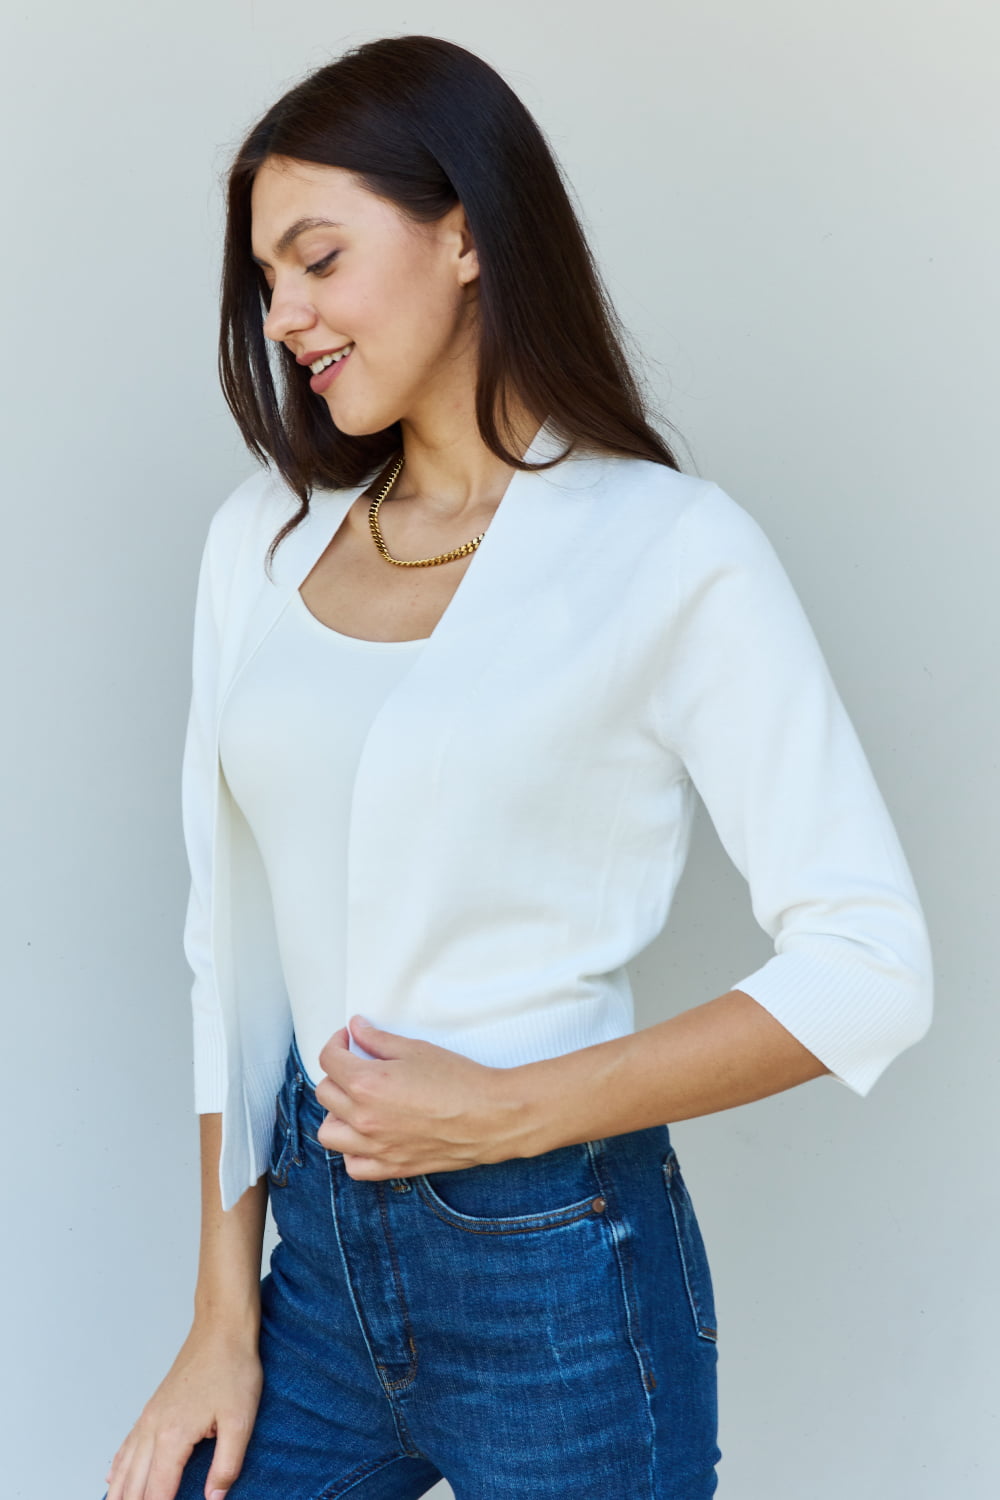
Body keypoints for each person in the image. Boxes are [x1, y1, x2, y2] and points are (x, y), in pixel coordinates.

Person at [101, 33, 933, 1500]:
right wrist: (218, 1320)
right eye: (266, 279)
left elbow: (873, 961)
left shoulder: (671, 552)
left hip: (563, 1279)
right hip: (316, 1260)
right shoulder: (262, 545)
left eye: (319, 259)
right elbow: (220, 950)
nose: (285, 312)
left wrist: (507, 1109)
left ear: (466, 231)